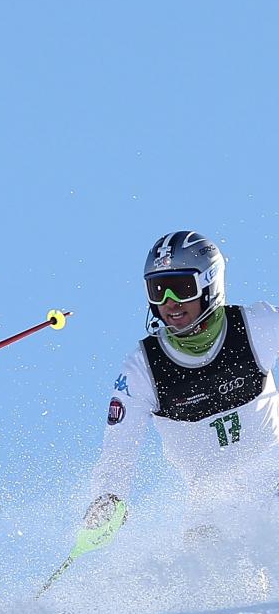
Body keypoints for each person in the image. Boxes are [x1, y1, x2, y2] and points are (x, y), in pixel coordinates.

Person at [74, 230, 279, 559]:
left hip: (273, 477)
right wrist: (109, 494)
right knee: (204, 574)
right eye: (158, 290)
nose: (169, 302)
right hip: (210, 504)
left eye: (182, 287)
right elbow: (119, 448)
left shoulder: (255, 327)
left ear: (210, 284)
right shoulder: (143, 369)